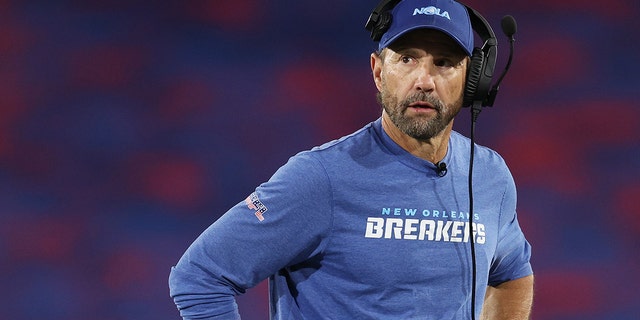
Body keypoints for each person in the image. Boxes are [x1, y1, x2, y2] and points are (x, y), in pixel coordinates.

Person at [169, 0, 534, 319]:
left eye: (444, 62)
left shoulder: (489, 176)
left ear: (473, 80)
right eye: (407, 58)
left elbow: (512, 274)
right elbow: (200, 276)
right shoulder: (320, 177)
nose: (424, 80)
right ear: (378, 71)